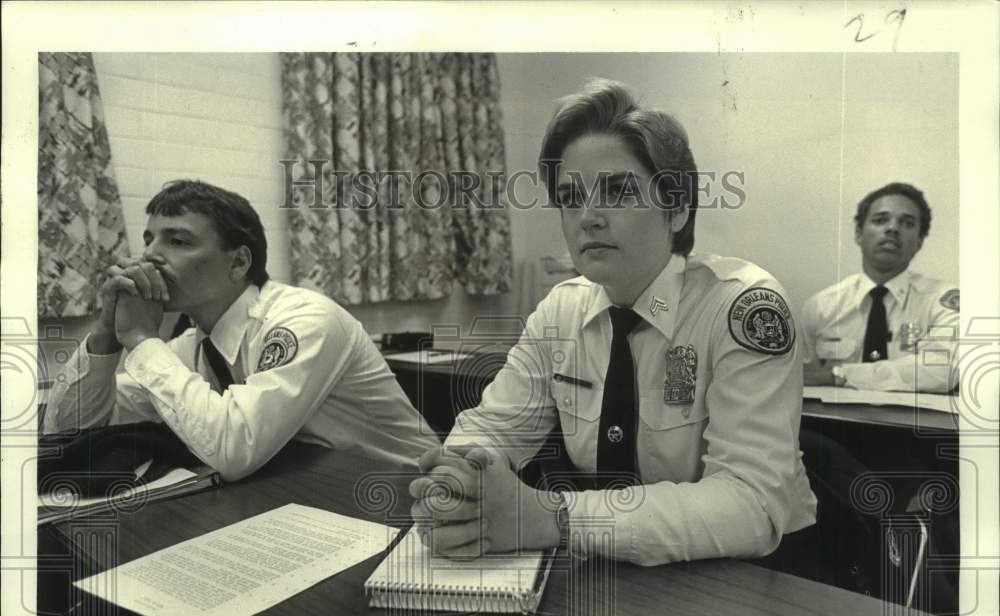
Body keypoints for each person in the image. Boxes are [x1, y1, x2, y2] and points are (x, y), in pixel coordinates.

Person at [408, 79, 817, 568]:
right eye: (570, 197)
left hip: (753, 576)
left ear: (678, 207)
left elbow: (750, 504)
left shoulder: (743, 308)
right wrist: (459, 485)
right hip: (617, 565)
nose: (588, 217)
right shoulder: (561, 311)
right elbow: (494, 427)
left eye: (618, 192)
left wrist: (551, 517)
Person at [43, 179, 439, 480]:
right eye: (149, 240)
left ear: (238, 263)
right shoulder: (192, 345)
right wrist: (105, 334)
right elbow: (70, 432)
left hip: (401, 491)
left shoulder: (304, 319)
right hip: (304, 488)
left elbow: (236, 452)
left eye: (177, 240)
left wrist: (143, 341)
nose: (149, 255)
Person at [801, 183, 959, 393]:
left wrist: (839, 375)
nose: (892, 228)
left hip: (913, 424)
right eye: (880, 220)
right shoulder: (821, 306)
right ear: (859, 233)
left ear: (919, 242)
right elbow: (804, 379)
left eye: (907, 223)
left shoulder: (941, 303)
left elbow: (943, 370)